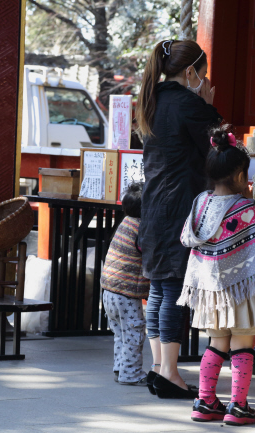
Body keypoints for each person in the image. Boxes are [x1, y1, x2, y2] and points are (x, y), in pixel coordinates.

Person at [177, 126, 255, 426]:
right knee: (243, 346)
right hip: (242, 288)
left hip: (209, 290)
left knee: (215, 344)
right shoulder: (245, 208)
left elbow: (188, 238)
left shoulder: (201, 203)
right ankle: (238, 406)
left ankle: (205, 401)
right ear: (240, 176)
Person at [135, 39, 222, 399]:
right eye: (202, 74)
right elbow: (221, 150)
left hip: (154, 205)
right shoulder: (188, 102)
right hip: (179, 207)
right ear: (191, 72)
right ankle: (170, 372)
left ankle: (158, 367)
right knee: (172, 290)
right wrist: (208, 107)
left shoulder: (151, 100)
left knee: (158, 289)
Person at [100, 182, 150, 386]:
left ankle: (120, 367)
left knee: (121, 333)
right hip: (126, 293)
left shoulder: (125, 222)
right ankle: (131, 373)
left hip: (109, 290)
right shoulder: (142, 228)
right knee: (134, 333)